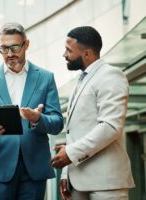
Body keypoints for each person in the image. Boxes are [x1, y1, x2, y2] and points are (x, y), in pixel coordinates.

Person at [0, 22, 64, 200]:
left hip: (34, 168)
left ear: (26, 44)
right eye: (4, 49)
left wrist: (38, 119)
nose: (10, 54)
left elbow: (57, 122)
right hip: (0, 165)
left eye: (15, 47)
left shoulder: (45, 78)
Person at [50, 26, 135, 200]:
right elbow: (73, 133)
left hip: (106, 185)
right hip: (79, 183)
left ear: (87, 53)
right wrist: (67, 174)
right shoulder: (82, 79)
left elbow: (110, 126)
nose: (64, 55)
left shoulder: (111, 75)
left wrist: (71, 154)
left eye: (68, 50)